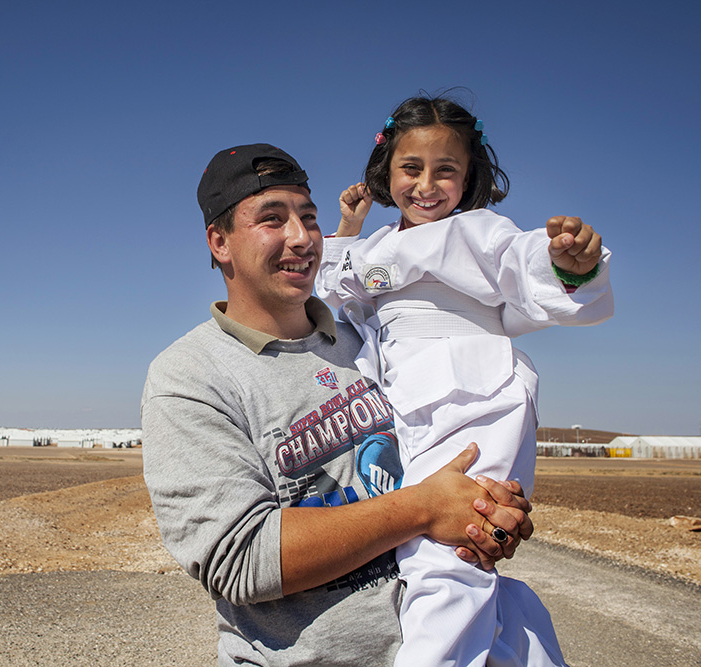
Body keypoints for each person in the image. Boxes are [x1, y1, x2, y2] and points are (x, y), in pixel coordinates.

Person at [141, 143, 535, 666]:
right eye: (272, 220)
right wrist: (425, 506)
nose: (302, 238)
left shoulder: (369, 338)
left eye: (308, 216)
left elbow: (442, 448)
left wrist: (486, 511)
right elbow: (242, 560)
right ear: (220, 242)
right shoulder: (191, 376)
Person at [315, 95, 614, 666]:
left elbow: (520, 257)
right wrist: (348, 229)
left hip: (472, 399)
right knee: (419, 556)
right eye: (411, 168)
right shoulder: (374, 247)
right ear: (387, 170)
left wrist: (569, 265)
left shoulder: (476, 231)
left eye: (446, 170)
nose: (427, 185)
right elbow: (333, 289)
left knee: (449, 556)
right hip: (404, 405)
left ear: (469, 176)